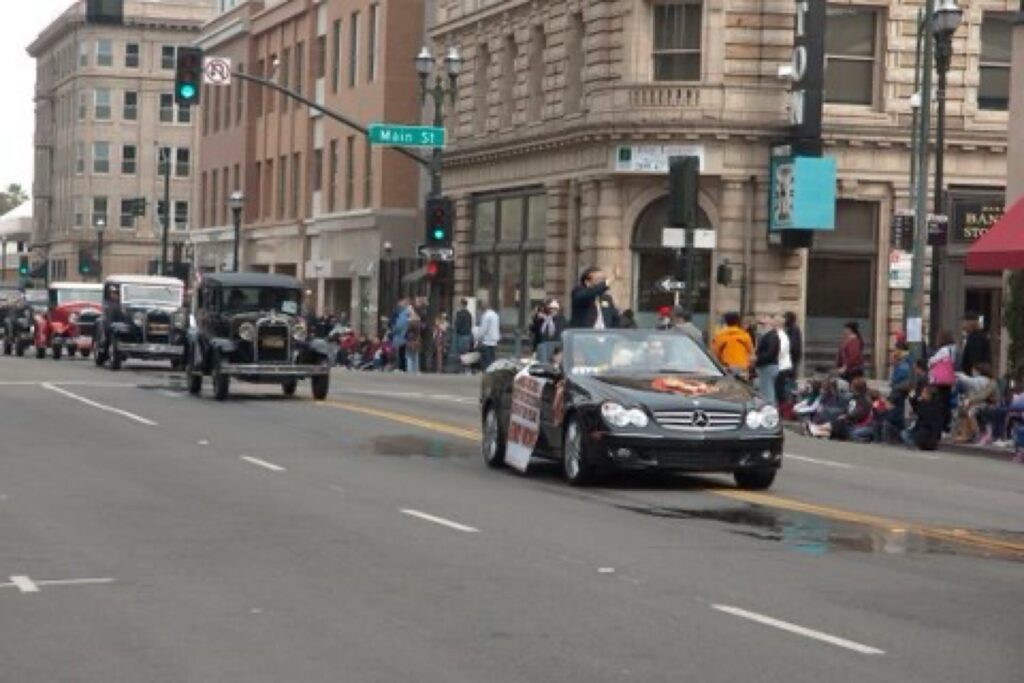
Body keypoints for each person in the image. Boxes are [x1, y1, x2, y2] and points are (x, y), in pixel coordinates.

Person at [928, 330, 957, 433]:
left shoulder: (944, 350)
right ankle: (946, 425)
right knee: (946, 401)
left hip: (941, 380)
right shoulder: (953, 349)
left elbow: (933, 360)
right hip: (949, 378)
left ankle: (943, 426)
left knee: (941, 403)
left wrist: (930, 360)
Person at [902, 385, 944, 451]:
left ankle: (922, 445)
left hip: (927, 432)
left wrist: (933, 440)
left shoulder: (935, 408)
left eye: (924, 392)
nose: (922, 394)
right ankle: (916, 444)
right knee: (904, 433)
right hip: (919, 429)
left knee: (921, 434)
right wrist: (912, 397)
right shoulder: (922, 403)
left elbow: (936, 426)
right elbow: (915, 406)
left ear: (929, 395)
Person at [711, 312, 754, 376]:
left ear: (726, 322)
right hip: (742, 366)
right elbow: (750, 351)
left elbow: (715, 353)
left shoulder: (719, 336)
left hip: (727, 366)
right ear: (738, 322)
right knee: (742, 385)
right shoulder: (744, 335)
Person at [753, 315, 781, 405]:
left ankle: (770, 410)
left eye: (763, 324)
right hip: (767, 366)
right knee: (766, 391)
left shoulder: (771, 336)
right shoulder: (769, 335)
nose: (761, 326)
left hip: (768, 366)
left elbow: (770, 353)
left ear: (769, 324)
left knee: (767, 392)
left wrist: (757, 358)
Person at [774, 314, 794, 408]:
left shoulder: (781, 336)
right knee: (779, 390)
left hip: (781, 367)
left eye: (774, 321)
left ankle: (781, 411)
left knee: (779, 391)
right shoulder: (779, 335)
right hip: (780, 366)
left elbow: (779, 351)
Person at [476, 299, 500, 370]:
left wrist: (478, 338)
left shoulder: (486, 316)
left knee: (486, 361)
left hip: (487, 341)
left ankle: (487, 374)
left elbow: (483, 330)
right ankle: (492, 373)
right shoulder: (495, 315)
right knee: (492, 360)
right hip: (494, 340)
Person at [391, 298, 410, 372]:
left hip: (401, 336)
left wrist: (393, 330)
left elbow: (399, 325)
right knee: (403, 353)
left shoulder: (403, 313)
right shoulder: (408, 313)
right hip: (405, 336)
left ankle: (399, 367)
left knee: (399, 352)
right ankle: (403, 367)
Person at [783, 312, 803, 376]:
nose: (783, 320)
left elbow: (793, 345)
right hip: (791, 357)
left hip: (792, 358)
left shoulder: (793, 329)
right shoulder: (791, 328)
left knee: (790, 377)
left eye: (785, 318)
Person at [405, 305, 422, 375]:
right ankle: (414, 369)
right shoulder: (417, 320)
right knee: (415, 355)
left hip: (411, 339)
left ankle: (411, 369)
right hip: (415, 339)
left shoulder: (410, 321)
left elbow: (407, 331)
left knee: (410, 355)